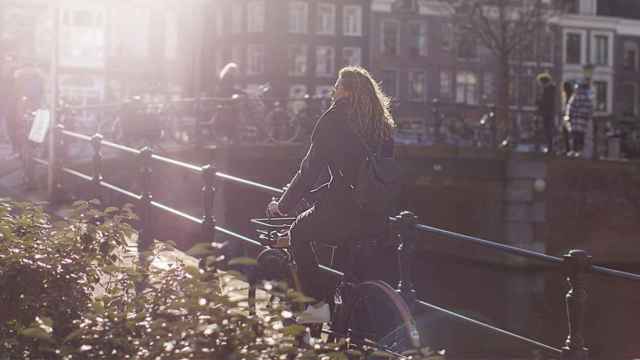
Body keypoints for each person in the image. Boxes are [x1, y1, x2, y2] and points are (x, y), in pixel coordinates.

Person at [266, 66, 396, 323]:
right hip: (376, 215)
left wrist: (283, 205)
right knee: (346, 266)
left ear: (346, 91)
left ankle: (316, 307)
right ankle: (345, 320)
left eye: (336, 86)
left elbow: (309, 170)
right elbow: (370, 174)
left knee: (298, 232)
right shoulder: (381, 123)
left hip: (343, 212)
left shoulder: (334, 119)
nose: (333, 91)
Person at [215, 62, 245, 142]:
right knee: (234, 114)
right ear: (232, 70)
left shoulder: (225, 76)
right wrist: (241, 92)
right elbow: (229, 89)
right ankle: (233, 134)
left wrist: (237, 91)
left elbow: (228, 88)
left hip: (224, 97)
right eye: (235, 71)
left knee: (232, 115)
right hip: (226, 99)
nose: (236, 72)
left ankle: (232, 135)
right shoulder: (229, 77)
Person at [565, 79, 593, 158]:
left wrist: (569, 117)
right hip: (583, 121)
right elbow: (590, 110)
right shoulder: (588, 98)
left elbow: (570, 107)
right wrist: (587, 118)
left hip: (575, 121)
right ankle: (580, 151)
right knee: (581, 136)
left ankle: (573, 151)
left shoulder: (575, 96)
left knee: (574, 136)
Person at [535, 72, 556, 153]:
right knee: (548, 130)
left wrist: (539, 103)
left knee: (547, 130)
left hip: (547, 113)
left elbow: (546, 102)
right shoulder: (550, 89)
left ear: (543, 82)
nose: (540, 85)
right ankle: (550, 147)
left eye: (540, 83)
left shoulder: (548, 90)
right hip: (549, 112)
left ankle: (550, 148)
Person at [560, 81, 575, 155]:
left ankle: (568, 149)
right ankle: (568, 149)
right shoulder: (569, 95)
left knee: (566, 133)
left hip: (569, 118)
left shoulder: (569, 96)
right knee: (567, 133)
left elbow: (568, 107)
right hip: (568, 117)